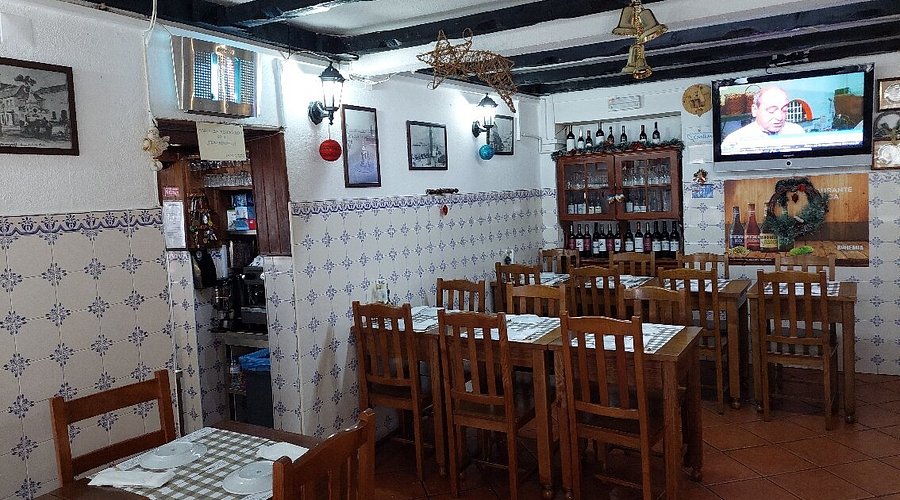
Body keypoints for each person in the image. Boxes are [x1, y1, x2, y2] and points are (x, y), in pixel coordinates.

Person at [721, 86, 805, 152]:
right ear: (754, 110)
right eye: (771, 111)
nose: (779, 117)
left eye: (784, 110)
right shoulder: (735, 142)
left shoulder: (797, 132)